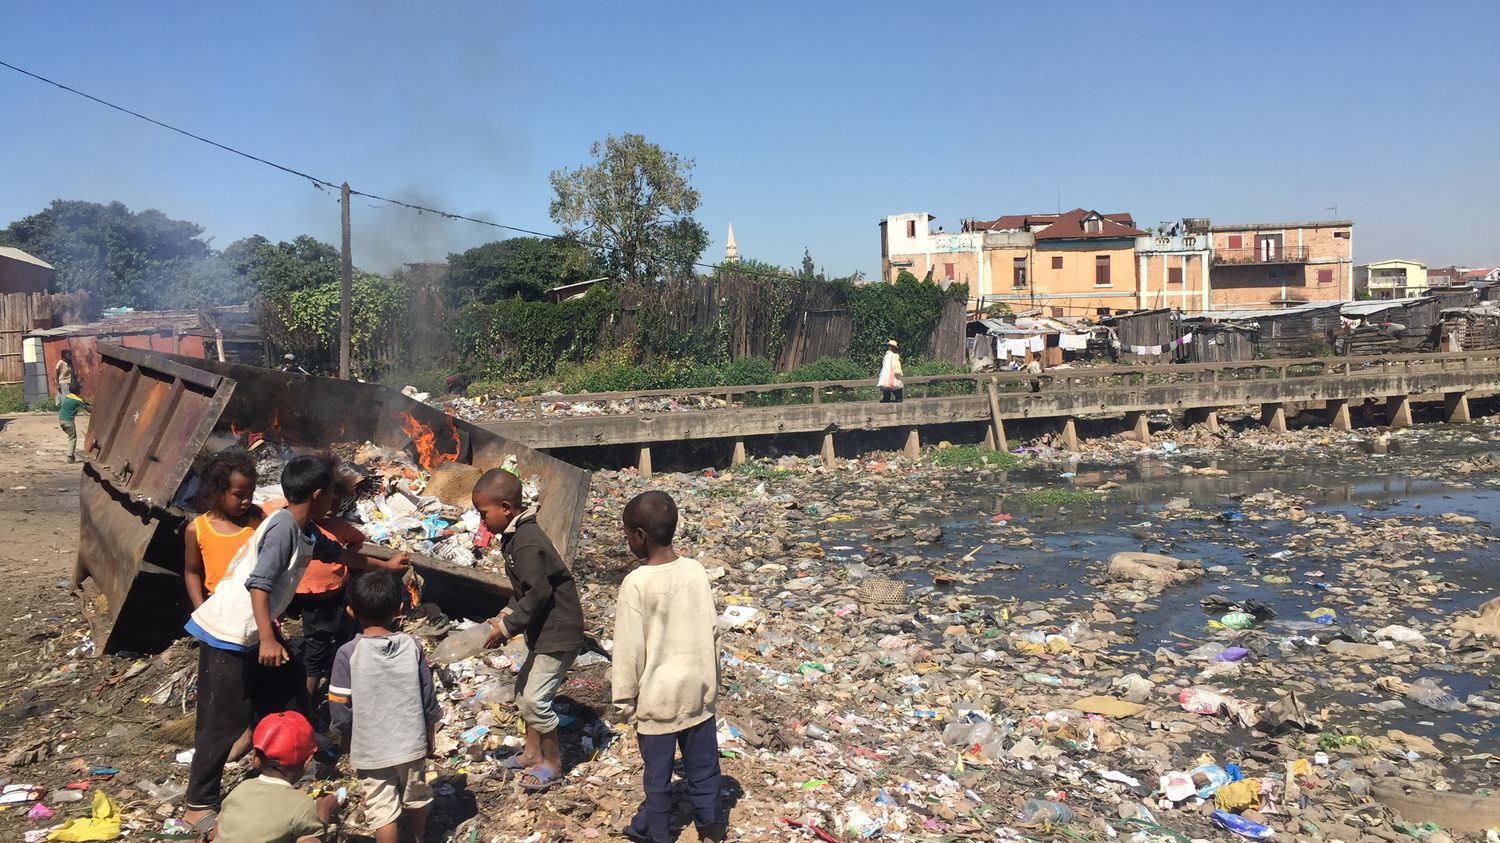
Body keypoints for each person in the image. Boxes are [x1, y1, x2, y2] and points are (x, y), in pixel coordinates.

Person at [182, 455, 409, 830]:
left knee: (288, 696)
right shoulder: (283, 528)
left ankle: (282, 775)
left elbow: (342, 555)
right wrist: (270, 638)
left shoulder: (306, 530)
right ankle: (197, 805)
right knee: (221, 720)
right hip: (228, 633)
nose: (335, 502)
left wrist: (387, 567)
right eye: (332, 494)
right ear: (319, 495)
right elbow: (259, 583)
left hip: (255, 633)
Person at [612, 491, 725, 843]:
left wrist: (624, 701)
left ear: (641, 535)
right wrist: (712, 684)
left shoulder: (636, 584)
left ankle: (658, 835)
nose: (628, 540)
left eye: (628, 533)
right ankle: (711, 829)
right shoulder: (694, 571)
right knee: (705, 769)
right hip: (697, 693)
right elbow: (713, 631)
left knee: (657, 779)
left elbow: (629, 650)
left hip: (656, 701)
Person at [471, 468, 584, 793]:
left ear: (506, 508)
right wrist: (505, 613)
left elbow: (538, 593)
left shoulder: (525, 543)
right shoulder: (516, 537)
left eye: (484, 514)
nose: (482, 523)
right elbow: (524, 590)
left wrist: (506, 627)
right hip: (545, 629)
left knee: (535, 700)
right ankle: (532, 752)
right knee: (523, 691)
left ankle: (552, 763)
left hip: (559, 631)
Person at [328, 571, 441, 843]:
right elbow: (427, 695)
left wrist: (344, 735)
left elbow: (340, 705)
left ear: (351, 611)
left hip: (370, 747)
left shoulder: (347, 653)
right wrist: (430, 730)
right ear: (400, 608)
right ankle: (418, 837)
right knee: (416, 797)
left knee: (383, 811)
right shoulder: (412, 645)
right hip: (410, 742)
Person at [288, 464, 365, 721]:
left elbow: (357, 539)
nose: (330, 509)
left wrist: (347, 562)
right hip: (311, 601)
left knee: (343, 646)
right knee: (315, 652)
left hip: (338, 595)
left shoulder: (340, 527)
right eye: (328, 503)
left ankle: (338, 701)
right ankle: (304, 710)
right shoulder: (304, 527)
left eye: (337, 504)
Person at [212, 711, 339, 843]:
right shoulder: (301, 805)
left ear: (255, 757)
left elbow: (216, 833)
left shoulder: (240, 790)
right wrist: (323, 814)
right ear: (307, 761)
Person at [183, 452, 265, 609]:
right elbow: (191, 572)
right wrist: (199, 609)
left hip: (253, 605)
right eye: (239, 495)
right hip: (218, 607)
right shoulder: (197, 529)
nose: (247, 501)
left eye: (251, 494)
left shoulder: (258, 523)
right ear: (216, 492)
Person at [57, 388, 88, 463]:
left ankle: (72, 455)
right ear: (78, 391)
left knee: (70, 435)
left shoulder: (68, 397)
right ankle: (70, 457)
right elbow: (88, 408)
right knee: (72, 438)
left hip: (61, 421)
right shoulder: (77, 400)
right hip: (69, 421)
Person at [878, 339, 904, 403]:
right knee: (896, 386)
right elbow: (896, 365)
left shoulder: (886, 356)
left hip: (885, 374)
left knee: (886, 388)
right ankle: (898, 398)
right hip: (892, 373)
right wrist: (898, 372)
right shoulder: (894, 355)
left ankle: (886, 399)